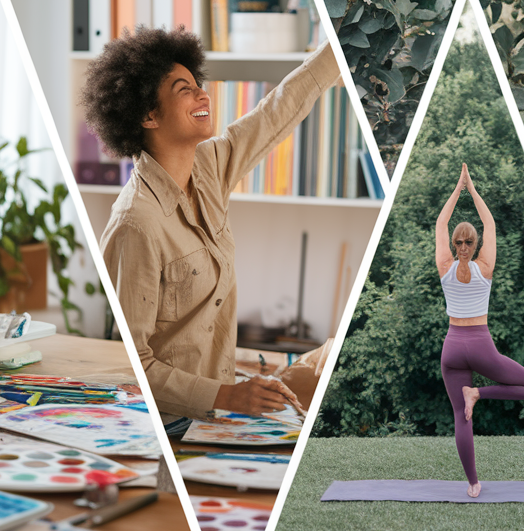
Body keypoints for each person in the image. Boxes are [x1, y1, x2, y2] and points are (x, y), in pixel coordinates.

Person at [83, 26, 341, 431]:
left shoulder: (209, 167)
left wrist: (340, 47)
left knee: (335, 353)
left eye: (199, 84)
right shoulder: (136, 223)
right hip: (174, 423)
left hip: (223, 408)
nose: (203, 95)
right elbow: (135, 365)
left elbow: (277, 110)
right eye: (184, 89)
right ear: (148, 115)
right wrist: (229, 396)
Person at [436, 163, 524, 497]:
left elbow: (440, 222)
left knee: (460, 417)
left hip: (452, 347)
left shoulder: (444, 265)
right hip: (480, 345)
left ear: (455, 244)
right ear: (475, 243)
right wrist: (472, 188)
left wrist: (457, 189)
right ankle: (479, 393)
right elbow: (490, 222)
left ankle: (472, 483)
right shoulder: (485, 266)